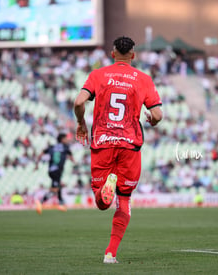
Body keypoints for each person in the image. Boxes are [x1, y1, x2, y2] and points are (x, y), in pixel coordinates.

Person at [74, 36, 163, 264]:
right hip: (129, 144)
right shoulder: (143, 79)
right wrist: (151, 120)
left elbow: (78, 103)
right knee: (124, 199)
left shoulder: (98, 75)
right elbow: (158, 115)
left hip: (103, 141)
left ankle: (104, 193)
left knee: (101, 201)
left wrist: (81, 124)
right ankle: (110, 253)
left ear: (112, 53)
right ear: (133, 55)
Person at [35, 133, 75, 214]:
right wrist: (74, 161)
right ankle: (41, 202)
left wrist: (37, 164)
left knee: (58, 186)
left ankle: (61, 204)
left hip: (51, 170)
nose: (67, 140)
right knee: (55, 189)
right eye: (66, 138)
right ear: (62, 139)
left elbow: (41, 154)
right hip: (57, 171)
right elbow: (71, 158)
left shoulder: (52, 147)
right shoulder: (65, 147)